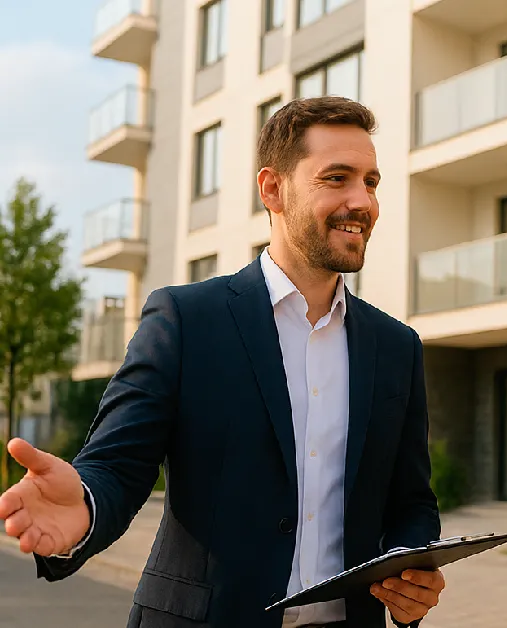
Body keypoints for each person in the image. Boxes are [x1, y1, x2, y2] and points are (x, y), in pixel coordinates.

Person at [0, 96, 447, 628]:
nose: (362, 202)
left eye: (371, 182)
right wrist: (87, 507)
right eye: (336, 178)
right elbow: (118, 465)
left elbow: (412, 502)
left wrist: (411, 572)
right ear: (273, 189)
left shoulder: (397, 346)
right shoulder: (185, 320)